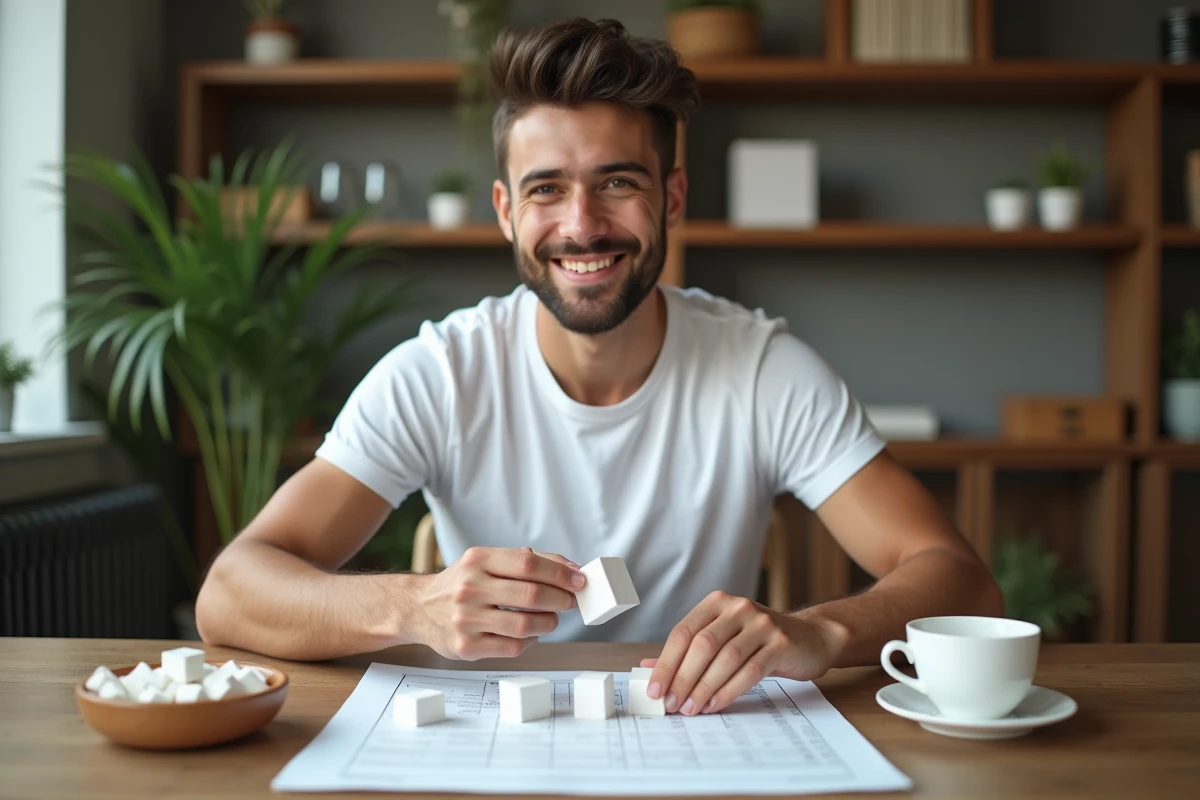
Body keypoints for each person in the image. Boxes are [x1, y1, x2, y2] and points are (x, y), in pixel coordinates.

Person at [196, 17, 1003, 718]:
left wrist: (821, 630)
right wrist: (414, 605)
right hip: (493, 740)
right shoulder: (438, 373)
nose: (582, 226)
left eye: (617, 182)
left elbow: (963, 582)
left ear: (672, 199)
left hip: (703, 732)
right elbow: (230, 593)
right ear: (507, 211)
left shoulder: (764, 370)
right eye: (547, 189)